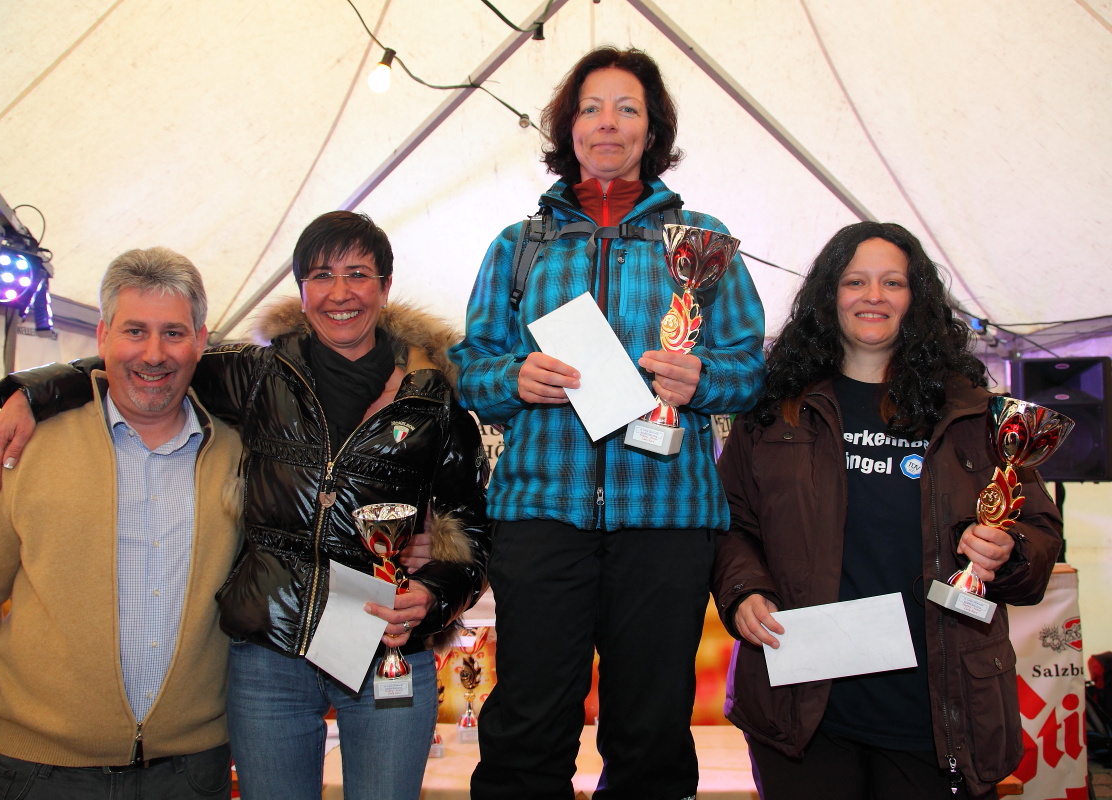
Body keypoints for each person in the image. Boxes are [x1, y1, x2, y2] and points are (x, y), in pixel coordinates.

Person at [0, 211, 493, 800]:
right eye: (321, 275)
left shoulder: (433, 402)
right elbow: (148, 362)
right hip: (270, 654)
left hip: (385, 649)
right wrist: (30, 394)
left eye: (358, 274)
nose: (340, 293)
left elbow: (471, 542)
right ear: (301, 289)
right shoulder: (257, 373)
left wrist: (432, 595)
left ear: (385, 288)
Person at [449, 46, 766, 800]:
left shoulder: (702, 241)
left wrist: (705, 377)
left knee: (651, 730)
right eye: (591, 107)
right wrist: (512, 377)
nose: (608, 123)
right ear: (569, 125)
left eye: (628, 108)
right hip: (540, 514)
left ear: (652, 130)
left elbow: (751, 369)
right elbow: (471, 364)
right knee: (527, 723)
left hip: (665, 520)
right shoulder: (517, 246)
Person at [711, 221, 1063, 799]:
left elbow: (1040, 535)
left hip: (935, 710)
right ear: (830, 296)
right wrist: (745, 590)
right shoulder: (773, 409)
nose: (873, 296)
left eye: (892, 282)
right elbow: (730, 521)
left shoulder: (975, 413)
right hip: (804, 709)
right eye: (855, 281)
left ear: (916, 299)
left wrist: (1010, 550)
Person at [0, 248, 243, 800]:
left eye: (174, 333)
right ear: (103, 336)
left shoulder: (240, 453)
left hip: (191, 775)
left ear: (202, 340)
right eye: (134, 330)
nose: (154, 353)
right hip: (38, 775)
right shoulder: (22, 446)